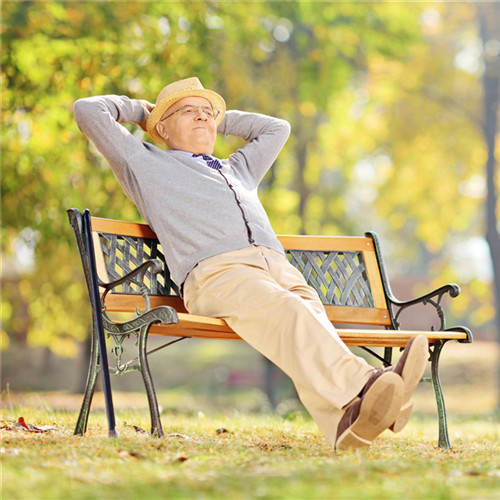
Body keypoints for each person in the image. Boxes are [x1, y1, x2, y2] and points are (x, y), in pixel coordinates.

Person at [73, 77, 428, 451]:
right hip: (217, 274)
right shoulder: (143, 162)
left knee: (308, 322)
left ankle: (349, 423)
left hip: (277, 268)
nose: (202, 118)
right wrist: (143, 111)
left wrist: (219, 118)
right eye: (188, 111)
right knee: (291, 312)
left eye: (207, 112)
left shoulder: (237, 169)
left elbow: (276, 129)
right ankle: (373, 385)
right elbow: (87, 110)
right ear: (161, 126)